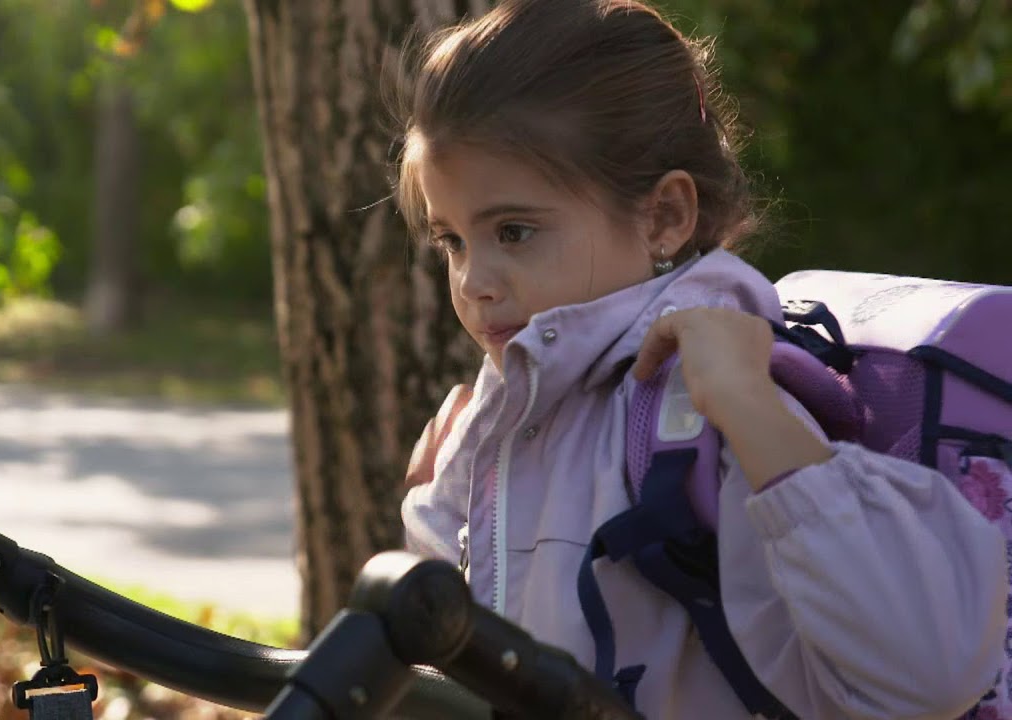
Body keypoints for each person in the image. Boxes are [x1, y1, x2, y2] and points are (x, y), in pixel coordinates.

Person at [394, 1, 1008, 718]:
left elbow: (927, 675)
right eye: (452, 241)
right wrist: (433, 520)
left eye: (516, 231)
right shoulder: (516, 409)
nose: (475, 281)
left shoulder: (702, 412)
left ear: (664, 217)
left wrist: (748, 408)